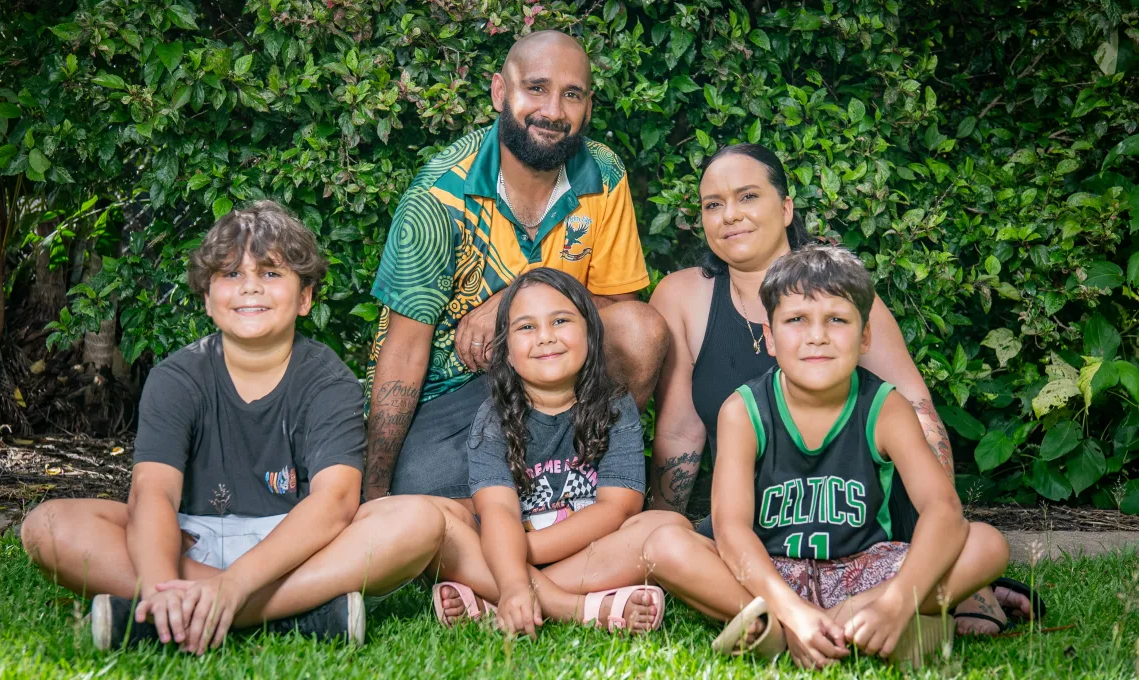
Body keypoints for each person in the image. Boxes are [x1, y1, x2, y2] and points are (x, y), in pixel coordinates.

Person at [19, 201, 455, 652]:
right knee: (49, 525)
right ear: (207, 299)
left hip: (293, 546)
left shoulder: (330, 380)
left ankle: (181, 616)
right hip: (189, 539)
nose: (250, 288)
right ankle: (299, 615)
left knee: (419, 520)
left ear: (304, 297)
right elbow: (153, 493)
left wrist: (236, 585)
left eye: (270, 274)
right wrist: (158, 579)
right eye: (231, 275)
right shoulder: (176, 376)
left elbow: (336, 502)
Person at [647, 143, 1036, 634]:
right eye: (712, 204)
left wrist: (938, 546)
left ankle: (909, 597)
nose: (730, 215)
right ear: (771, 334)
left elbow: (918, 414)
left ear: (786, 208)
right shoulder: (683, 295)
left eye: (748, 196)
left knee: (978, 544)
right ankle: (803, 615)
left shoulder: (842, 292)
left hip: (863, 523)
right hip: (764, 517)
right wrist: (668, 533)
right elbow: (680, 434)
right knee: (656, 537)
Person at [642, 245, 1011, 668]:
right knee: (663, 545)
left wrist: (894, 598)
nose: (817, 335)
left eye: (836, 320)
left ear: (865, 336)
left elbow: (943, 508)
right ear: (770, 338)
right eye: (796, 320)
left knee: (986, 544)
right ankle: (811, 625)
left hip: (868, 573)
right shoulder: (743, 411)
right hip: (773, 573)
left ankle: (820, 627)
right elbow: (730, 528)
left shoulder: (885, 408)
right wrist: (790, 606)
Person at [364, 30, 668, 512]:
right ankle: (541, 506)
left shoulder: (604, 173)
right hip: (458, 403)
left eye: (572, 95)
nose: (553, 111)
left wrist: (512, 301)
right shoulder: (438, 197)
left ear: (589, 107)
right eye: (537, 88)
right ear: (500, 92)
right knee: (419, 487)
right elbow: (403, 353)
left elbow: (619, 312)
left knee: (642, 329)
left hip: (555, 381)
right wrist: (374, 495)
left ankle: (592, 478)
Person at [427, 268, 688, 637]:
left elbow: (618, 508)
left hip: (586, 553)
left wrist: (516, 566)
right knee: (440, 520)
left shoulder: (615, 404)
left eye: (561, 320)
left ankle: (495, 596)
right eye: (526, 328)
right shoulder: (493, 417)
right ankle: (585, 608)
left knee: (664, 526)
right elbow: (498, 509)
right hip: (517, 550)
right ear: (507, 352)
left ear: (591, 334)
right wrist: (513, 567)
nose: (545, 338)